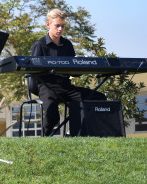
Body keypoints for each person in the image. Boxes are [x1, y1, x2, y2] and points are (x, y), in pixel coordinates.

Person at [31, 8, 107, 136]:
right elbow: (33, 70)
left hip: (66, 86)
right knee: (52, 116)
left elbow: (73, 72)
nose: (60, 29)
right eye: (57, 26)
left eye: (63, 26)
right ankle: (43, 139)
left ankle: (77, 134)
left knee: (98, 97)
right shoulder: (39, 45)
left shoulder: (67, 44)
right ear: (48, 24)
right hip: (47, 86)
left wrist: (83, 64)